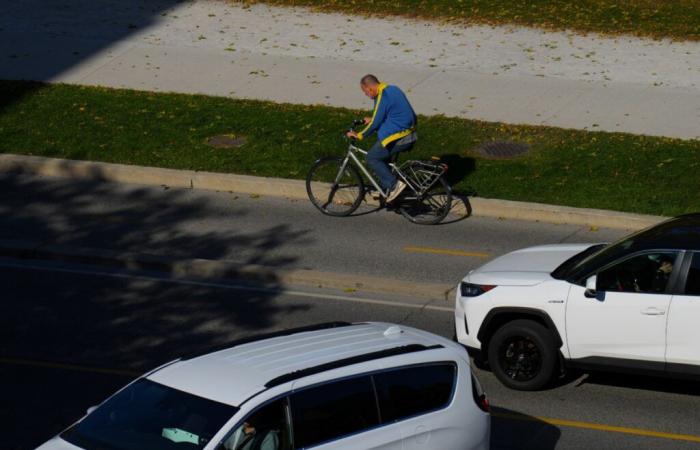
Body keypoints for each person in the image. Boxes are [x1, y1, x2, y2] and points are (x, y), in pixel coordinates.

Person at [346, 74, 418, 203]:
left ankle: (394, 185)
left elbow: (375, 124)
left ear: (370, 88)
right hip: (409, 132)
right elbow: (388, 112)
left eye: (365, 91)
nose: (366, 95)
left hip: (399, 136)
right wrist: (373, 119)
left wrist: (359, 135)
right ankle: (385, 188)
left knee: (372, 157)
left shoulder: (382, 96)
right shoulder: (392, 89)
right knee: (383, 158)